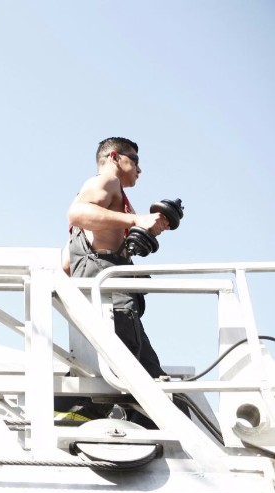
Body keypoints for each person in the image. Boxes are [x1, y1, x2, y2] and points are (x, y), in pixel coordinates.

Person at [57, 137, 174, 427]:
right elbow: (77, 213)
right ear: (114, 157)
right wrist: (136, 221)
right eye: (134, 160)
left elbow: (67, 263)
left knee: (139, 372)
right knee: (138, 374)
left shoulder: (107, 201)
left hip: (102, 298)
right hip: (112, 300)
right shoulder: (107, 182)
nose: (139, 169)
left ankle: (74, 417)